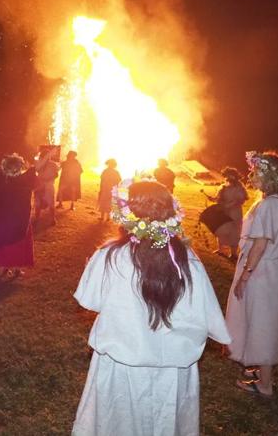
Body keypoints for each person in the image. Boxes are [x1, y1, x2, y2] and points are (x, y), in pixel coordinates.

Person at [72, 180, 231, 436]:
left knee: (118, 423)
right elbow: (206, 312)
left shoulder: (111, 255)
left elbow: (89, 300)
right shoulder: (187, 260)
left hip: (122, 365)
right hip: (173, 369)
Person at [225, 151, 278, 397]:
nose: (251, 175)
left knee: (264, 321)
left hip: (263, 270)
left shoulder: (270, 204)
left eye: (256, 171)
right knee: (265, 318)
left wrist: (245, 276)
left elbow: (260, 244)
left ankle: (265, 384)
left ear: (269, 176)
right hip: (273, 270)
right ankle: (261, 368)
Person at [0, 150, 51, 277]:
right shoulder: (23, 179)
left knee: (6, 243)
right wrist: (47, 157)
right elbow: (35, 169)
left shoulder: (1, 178)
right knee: (18, 243)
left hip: (5, 220)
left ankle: (6, 268)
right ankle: (15, 268)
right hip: (20, 220)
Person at [205, 167, 248, 261]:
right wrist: (212, 199)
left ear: (235, 176)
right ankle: (220, 250)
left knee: (234, 232)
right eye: (226, 175)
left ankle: (233, 253)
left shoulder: (239, 188)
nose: (228, 177)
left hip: (234, 212)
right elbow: (218, 198)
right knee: (221, 229)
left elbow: (240, 200)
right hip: (223, 212)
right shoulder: (223, 186)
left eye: (230, 175)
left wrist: (228, 206)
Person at [33, 148, 59, 225]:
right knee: (38, 203)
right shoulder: (39, 164)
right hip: (40, 185)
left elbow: (56, 174)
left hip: (48, 185)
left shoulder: (53, 164)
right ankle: (38, 218)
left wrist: (49, 178)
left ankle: (52, 219)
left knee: (50, 203)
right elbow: (36, 171)